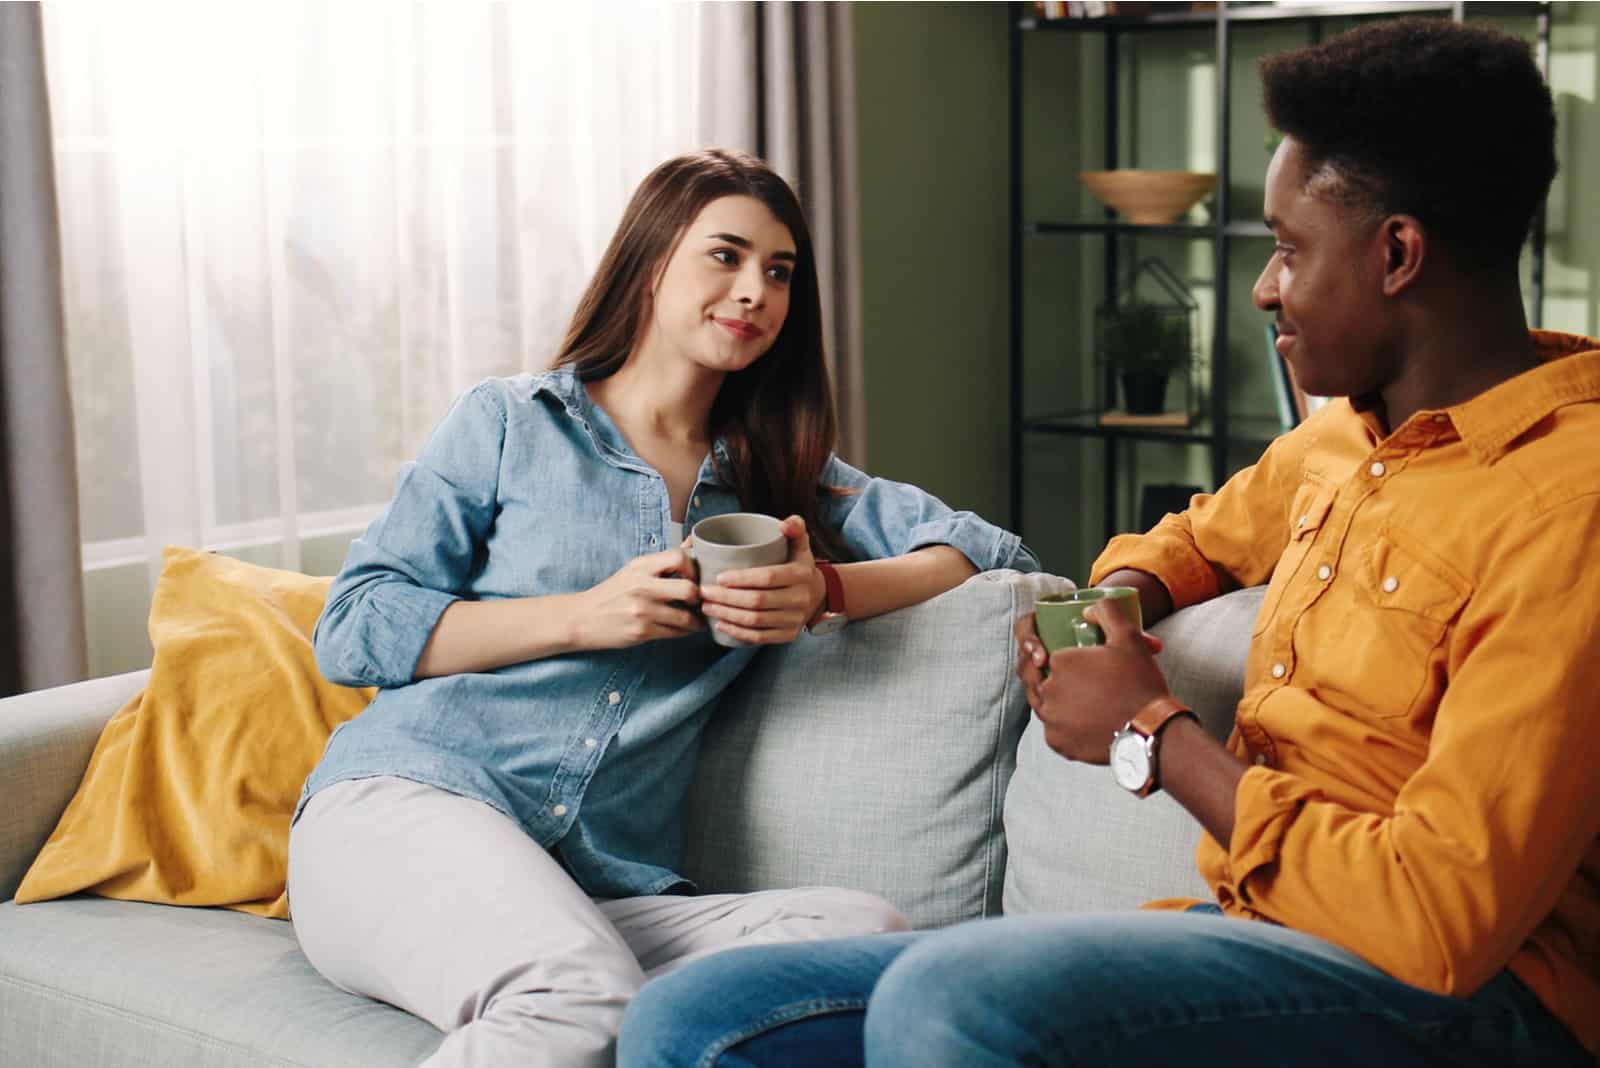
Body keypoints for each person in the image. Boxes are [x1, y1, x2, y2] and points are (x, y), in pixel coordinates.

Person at [616, 19, 1600, 1068]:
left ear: (1396, 254)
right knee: (697, 1019)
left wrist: (1151, 730)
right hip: (1257, 940)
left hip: (1466, 1004)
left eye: (1287, 249)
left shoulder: (1566, 506)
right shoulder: (1345, 438)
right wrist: (1113, 605)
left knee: (957, 1004)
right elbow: (1192, 541)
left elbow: (1441, 917)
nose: (1265, 287)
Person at [286, 148, 1038, 1067]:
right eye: (725, 257)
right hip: (404, 812)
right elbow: (354, 624)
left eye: (780, 272)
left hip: (595, 887)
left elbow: (990, 551)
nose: (754, 290)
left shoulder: (782, 484)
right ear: (650, 265)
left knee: (862, 934)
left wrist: (824, 592)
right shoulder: (512, 423)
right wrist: (582, 616)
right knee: (579, 997)